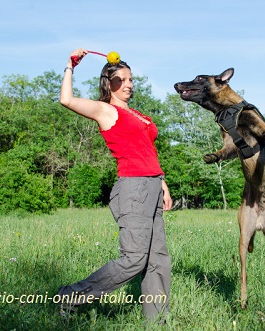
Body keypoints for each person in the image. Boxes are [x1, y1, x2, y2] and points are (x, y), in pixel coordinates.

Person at [57, 48, 172, 322]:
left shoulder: (139, 115)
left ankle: (156, 322)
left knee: (158, 259)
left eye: (131, 79)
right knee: (133, 258)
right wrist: (70, 66)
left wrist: (162, 183)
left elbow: (147, 150)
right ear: (109, 83)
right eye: (122, 79)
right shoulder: (105, 111)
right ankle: (72, 295)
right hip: (133, 189)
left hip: (153, 184)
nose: (129, 84)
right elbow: (66, 99)